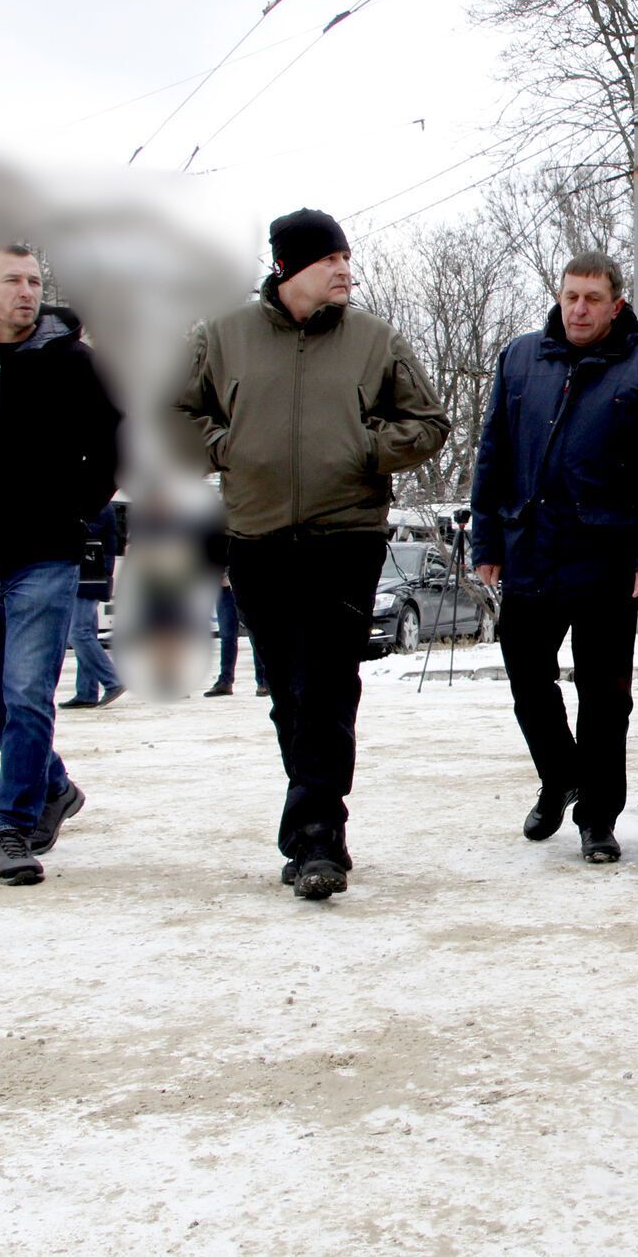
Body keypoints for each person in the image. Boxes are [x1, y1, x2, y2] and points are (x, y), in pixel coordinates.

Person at [175, 208, 450, 900]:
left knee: (328, 684)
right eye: (329, 260)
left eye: (347, 259)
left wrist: (366, 449)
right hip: (258, 536)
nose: (344, 271)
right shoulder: (222, 336)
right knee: (289, 691)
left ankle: (319, 835)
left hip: (346, 533)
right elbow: (171, 412)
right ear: (287, 269)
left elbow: (429, 421)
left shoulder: (374, 339)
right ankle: (311, 826)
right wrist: (222, 447)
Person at [471, 252, 638, 864]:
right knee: (526, 680)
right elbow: (493, 451)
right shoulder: (521, 359)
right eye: (571, 296)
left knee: (605, 696)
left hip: (606, 558)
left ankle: (598, 816)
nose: (580, 309)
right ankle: (560, 774)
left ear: (615, 304)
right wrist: (486, 540)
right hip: (529, 551)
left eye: (593, 298)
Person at [0, 244, 120, 885]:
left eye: (35, 280)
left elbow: (112, 447)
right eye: (12, 280)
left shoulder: (75, 365)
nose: (27, 291)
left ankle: (11, 824)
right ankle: (55, 785)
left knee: (27, 696)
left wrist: (76, 513)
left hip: (44, 557)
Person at [63, 502, 126, 709]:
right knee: (86, 631)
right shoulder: (100, 505)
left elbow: (82, 534)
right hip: (92, 574)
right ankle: (86, 691)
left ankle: (112, 680)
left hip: (89, 574)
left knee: (78, 633)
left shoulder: (95, 505)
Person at [205, 572, 269, 697]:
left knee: (255, 633)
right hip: (225, 588)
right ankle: (225, 681)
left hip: (247, 586)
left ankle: (262, 681)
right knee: (227, 635)